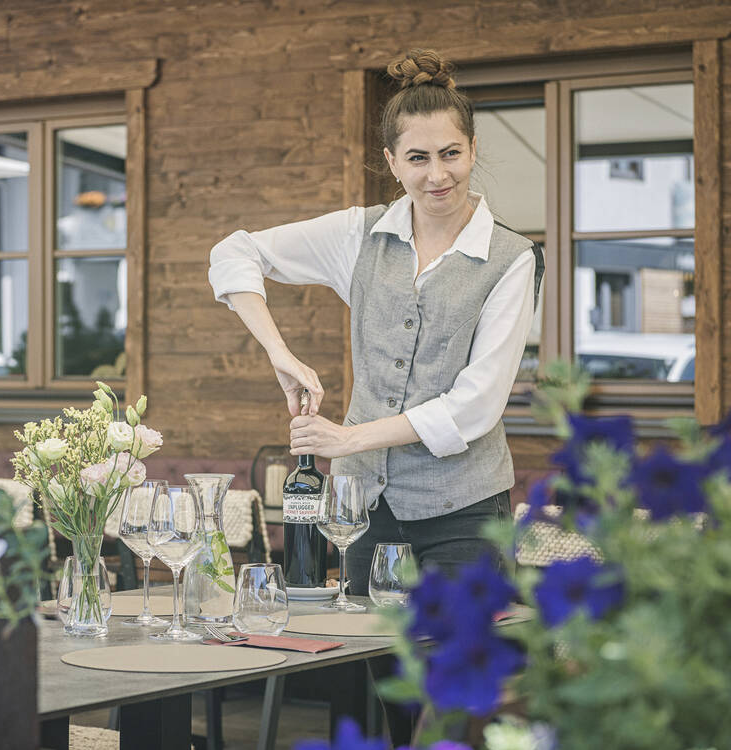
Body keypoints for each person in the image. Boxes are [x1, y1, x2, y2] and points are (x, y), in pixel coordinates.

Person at [208, 48, 543, 740]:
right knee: (380, 694)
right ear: (392, 162)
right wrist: (279, 352)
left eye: (450, 154)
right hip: (364, 513)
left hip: (462, 515)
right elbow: (235, 252)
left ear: (473, 151)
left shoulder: (511, 260)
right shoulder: (360, 235)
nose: (437, 174)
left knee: (460, 700)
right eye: (417, 159)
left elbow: (476, 407)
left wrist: (348, 440)